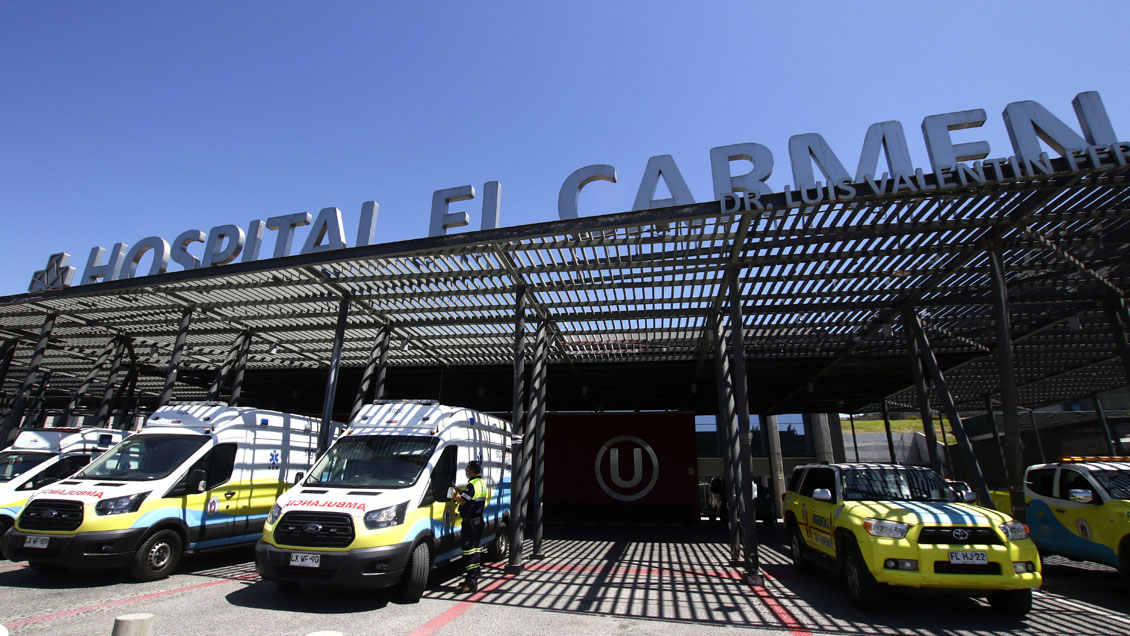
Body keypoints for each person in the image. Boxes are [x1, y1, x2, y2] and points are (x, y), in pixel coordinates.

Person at [453, 460, 487, 593]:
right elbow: (470, 496)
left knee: (469, 551)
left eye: (468, 470)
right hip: (478, 520)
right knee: (476, 549)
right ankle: (472, 577)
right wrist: (460, 490)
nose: (467, 472)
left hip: (471, 522)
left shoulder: (472, 485)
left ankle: (471, 582)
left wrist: (454, 494)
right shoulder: (481, 483)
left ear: (472, 471)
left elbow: (463, 500)